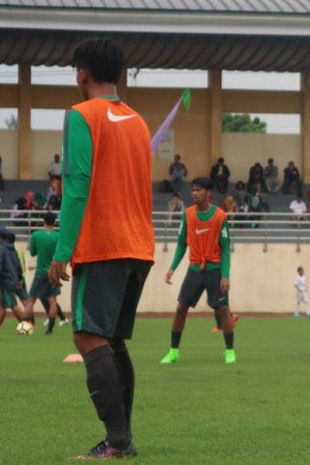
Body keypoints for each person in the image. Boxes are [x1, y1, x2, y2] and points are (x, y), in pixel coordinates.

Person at [45, 38, 154, 460]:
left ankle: (117, 441)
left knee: (87, 335)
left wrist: (61, 250)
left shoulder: (80, 115)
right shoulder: (138, 121)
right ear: (120, 74)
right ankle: (123, 439)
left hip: (103, 243)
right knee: (113, 340)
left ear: (81, 74)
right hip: (138, 245)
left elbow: (76, 187)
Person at [160, 177, 236, 365]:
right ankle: (173, 352)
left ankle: (230, 352)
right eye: (193, 190)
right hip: (194, 270)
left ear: (208, 193)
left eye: (199, 190)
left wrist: (225, 275)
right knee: (180, 309)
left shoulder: (220, 217)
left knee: (223, 310)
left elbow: (226, 249)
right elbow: (180, 245)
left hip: (215, 270)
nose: (195, 193)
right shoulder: (188, 215)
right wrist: (172, 268)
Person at [22, 212, 61, 334]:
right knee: (52, 300)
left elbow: (33, 252)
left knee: (31, 300)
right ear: (54, 222)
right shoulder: (58, 236)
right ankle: (49, 330)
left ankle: (24, 326)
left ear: (43, 221)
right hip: (54, 272)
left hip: (40, 272)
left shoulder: (36, 235)